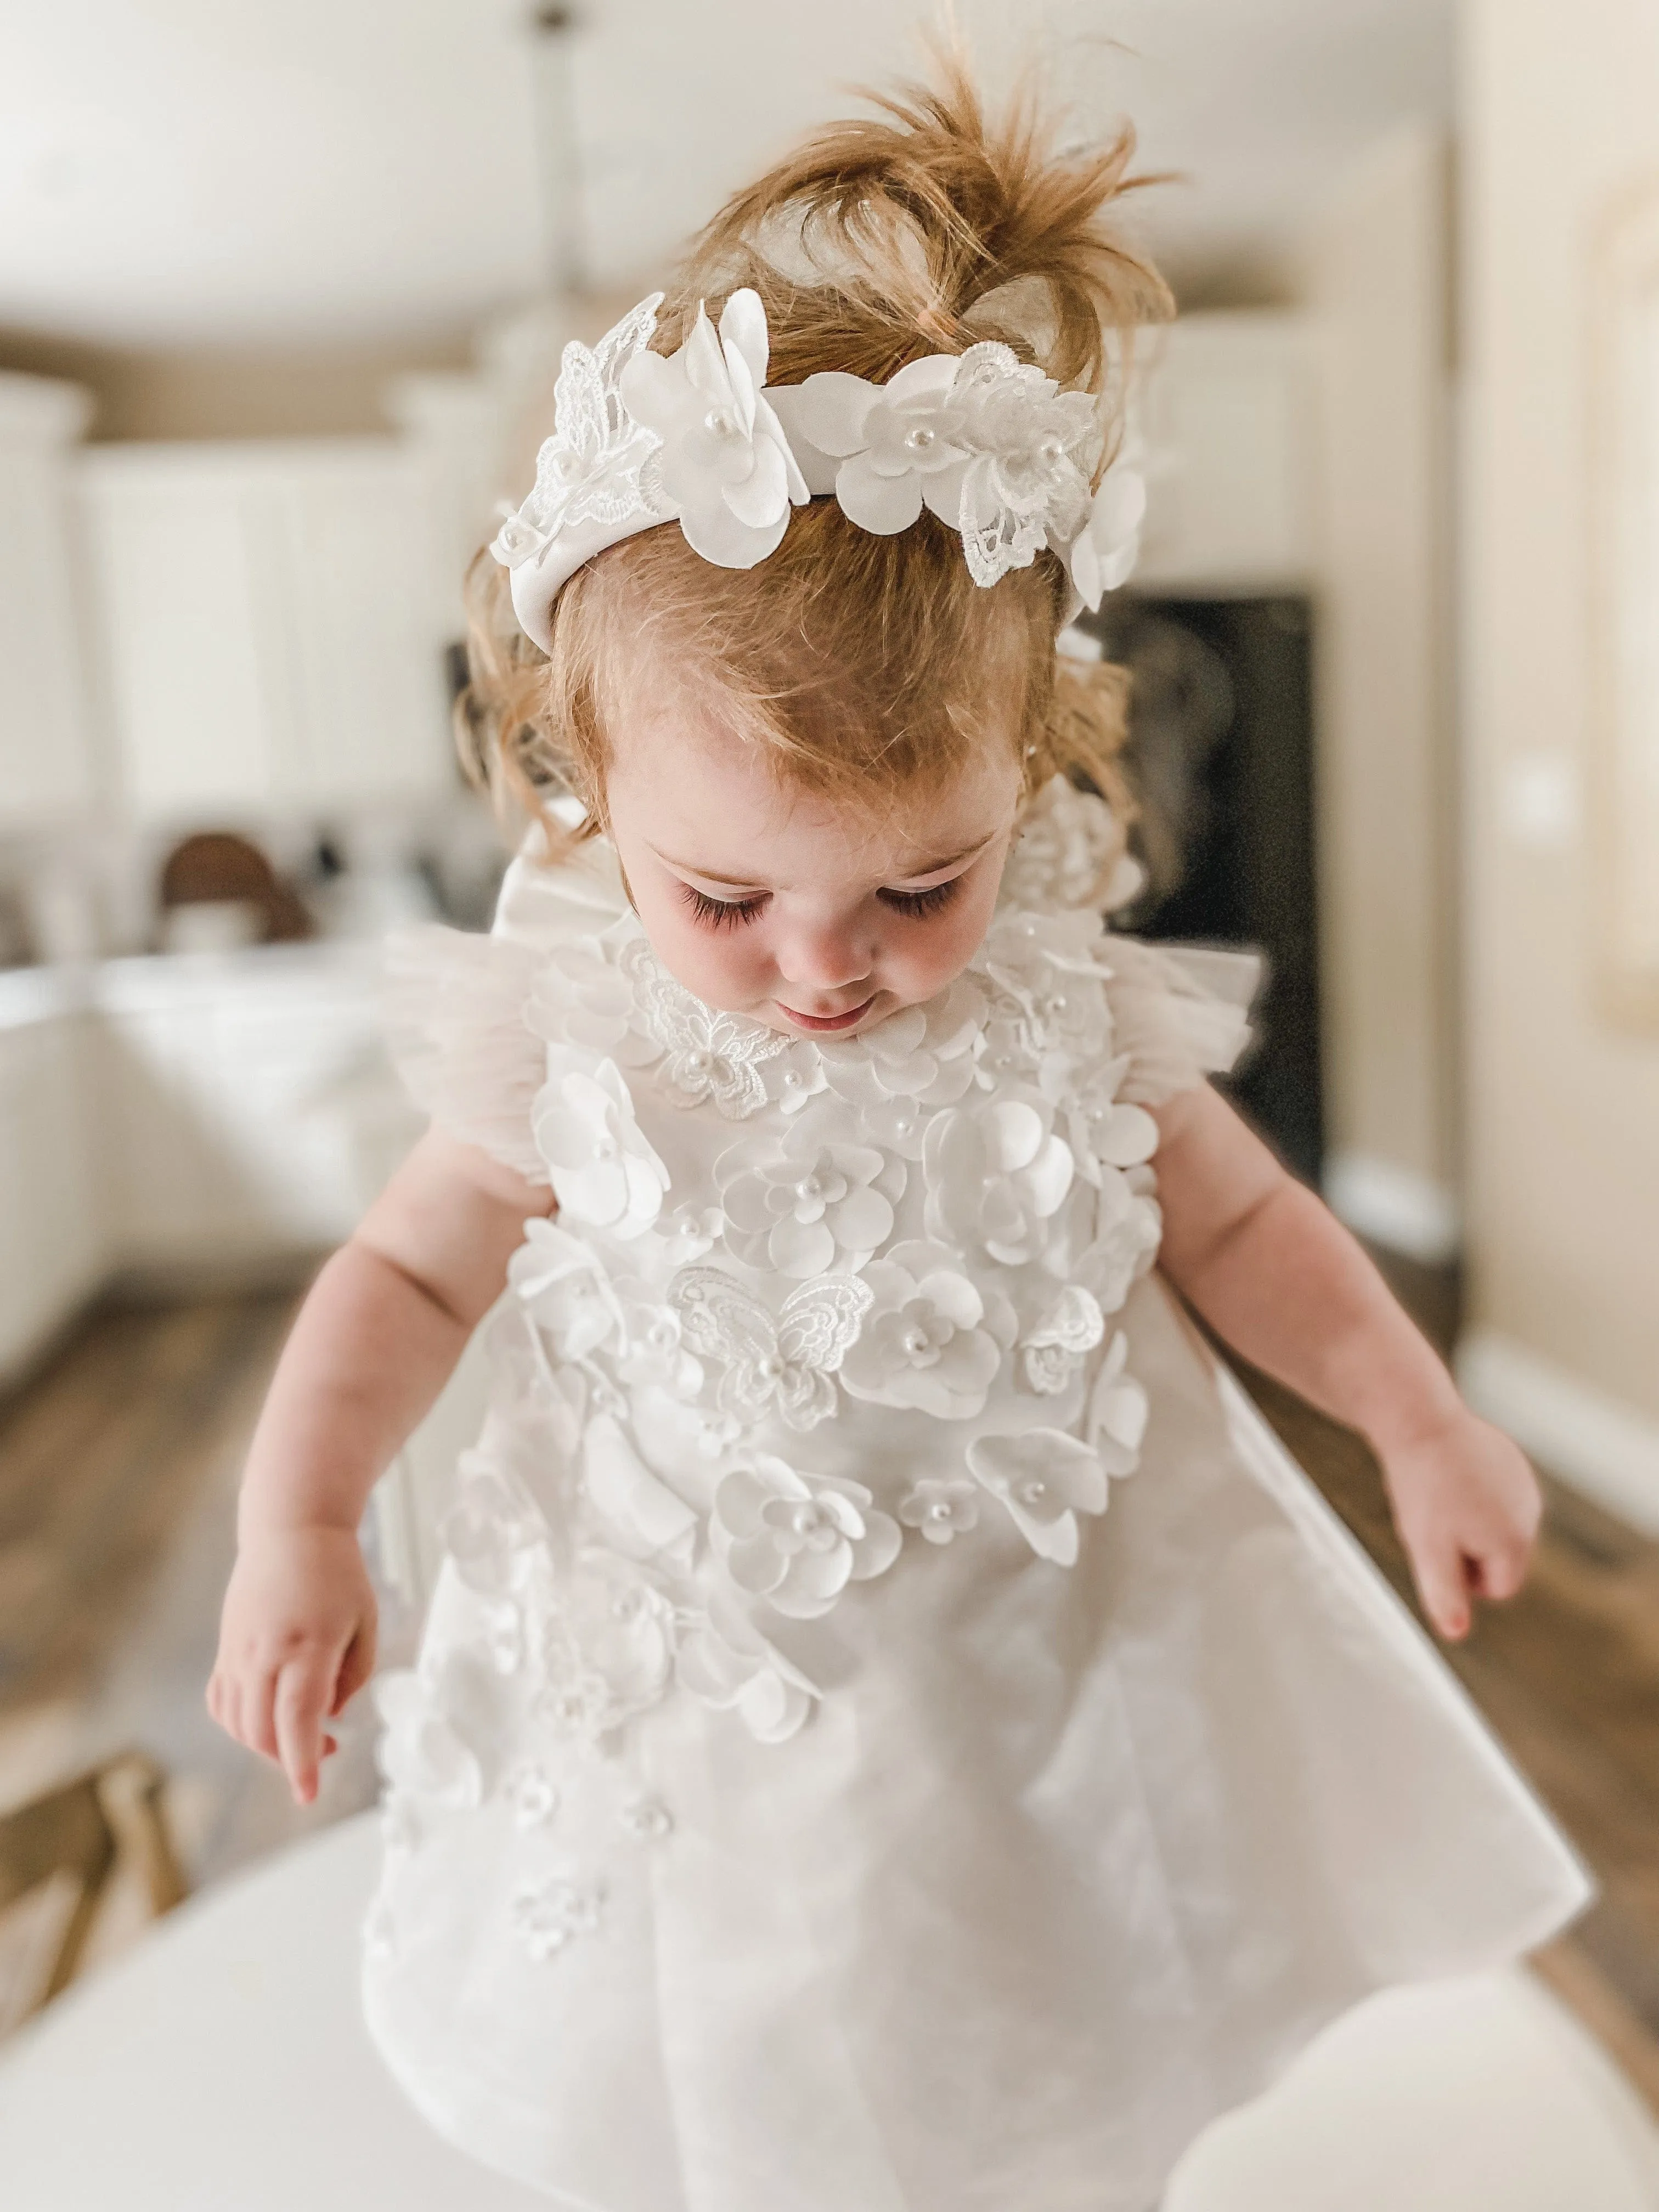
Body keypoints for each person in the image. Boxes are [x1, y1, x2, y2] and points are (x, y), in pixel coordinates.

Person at [208, 60, 1588, 2212]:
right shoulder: (568, 1015)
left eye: (916, 890)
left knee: (1024, 2039)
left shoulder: (1064, 990)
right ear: (587, 792)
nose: (822, 970)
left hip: (1018, 1690)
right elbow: (399, 1273)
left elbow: (1244, 1230)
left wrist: (1415, 1420)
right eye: (727, 901)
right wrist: (299, 1523)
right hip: (688, 1695)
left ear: (1029, 781)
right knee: (707, 2064)